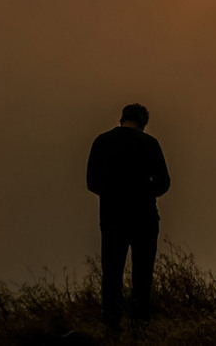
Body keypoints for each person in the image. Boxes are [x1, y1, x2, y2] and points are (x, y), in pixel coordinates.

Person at [87, 103, 171, 331]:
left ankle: (112, 327)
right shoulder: (150, 144)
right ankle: (140, 327)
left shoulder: (101, 142)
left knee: (111, 275)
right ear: (144, 123)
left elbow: (91, 182)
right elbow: (164, 183)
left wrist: (112, 194)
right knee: (142, 276)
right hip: (144, 219)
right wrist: (144, 193)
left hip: (112, 219)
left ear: (122, 118)